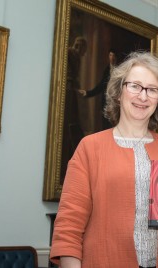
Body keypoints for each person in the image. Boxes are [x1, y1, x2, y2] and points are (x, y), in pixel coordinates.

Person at [50, 51, 158, 268]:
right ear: (118, 92)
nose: (143, 96)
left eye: (152, 90)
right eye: (135, 86)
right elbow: (68, 226)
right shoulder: (90, 147)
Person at [61, 36, 88, 184]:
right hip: (69, 91)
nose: (78, 49)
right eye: (77, 45)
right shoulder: (71, 53)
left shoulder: (76, 56)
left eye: (81, 47)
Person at [79, 49, 118, 130]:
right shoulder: (107, 70)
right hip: (106, 103)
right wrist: (87, 93)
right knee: (105, 127)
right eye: (110, 55)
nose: (112, 58)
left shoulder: (121, 70)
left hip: (117, 103)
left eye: (113, 55)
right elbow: (100, 86)